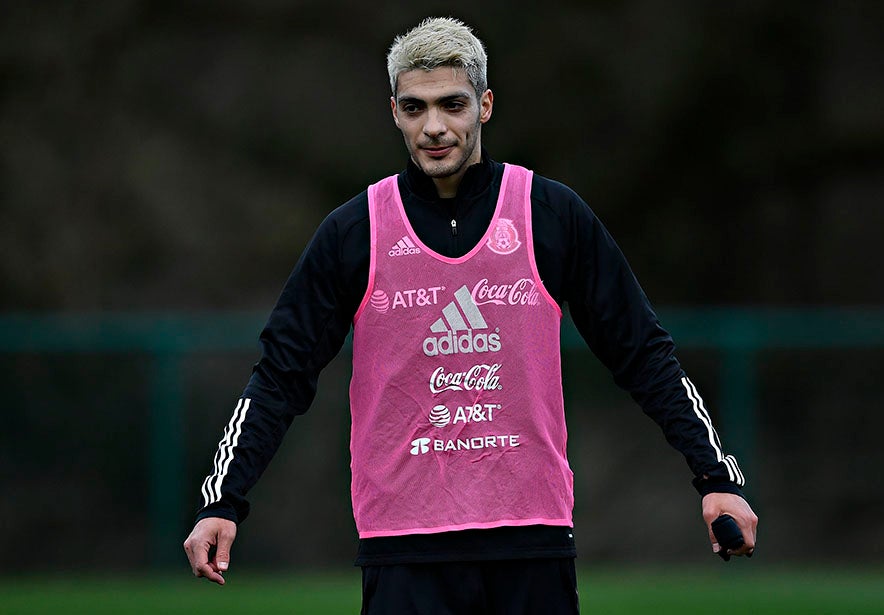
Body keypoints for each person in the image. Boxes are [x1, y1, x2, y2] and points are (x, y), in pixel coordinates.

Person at [183, 16, 758, 614]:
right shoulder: (355, 232)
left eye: (451, 104)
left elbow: (643, 355)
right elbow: (280, 375)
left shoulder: (548, 214)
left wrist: (715, 477)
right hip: (403, 548)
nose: (434, 126)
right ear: (394, 112)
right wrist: (224, 500)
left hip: (531, 542)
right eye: (415, 108)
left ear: (483, 105)